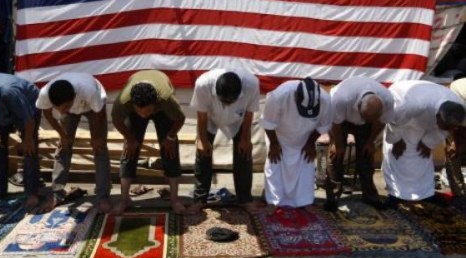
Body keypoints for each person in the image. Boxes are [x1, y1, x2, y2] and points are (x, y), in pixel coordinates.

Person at [111, 70, 186, 215]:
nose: (144, 115)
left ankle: (175, 199)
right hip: (135, 108)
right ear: (132, 104)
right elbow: (116, 119)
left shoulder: (165, 99)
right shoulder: (123, 101)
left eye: (148, 111)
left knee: (170, 150)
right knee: (129, 152)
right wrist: (130, 139)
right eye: (141, 111)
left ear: (156, 102)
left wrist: (170, 137)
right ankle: (124, 199)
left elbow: (180, 118)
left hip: (162, 112)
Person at [35, 73, 112, 213]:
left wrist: (95, 138)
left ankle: (103, 196)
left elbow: (99, 112)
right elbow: (47, 114)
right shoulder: (45, 93)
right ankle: (56, 194)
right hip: (73, 108)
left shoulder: (89, 90)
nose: (62, 111)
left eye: (65, 107)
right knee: (63, 148)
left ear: (74, 96)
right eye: (58, 108)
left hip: (93, 108)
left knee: (99, 148)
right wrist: (62, 135)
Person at [187, 68, 260, 214]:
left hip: (238, 119)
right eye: (224, 101)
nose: (227, 104)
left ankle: (245, 199)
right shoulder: (203, 84)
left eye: (230, 101)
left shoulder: (252, 84)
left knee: (244, 152)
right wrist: (202, 140)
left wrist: (245, 139)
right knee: (203, 153)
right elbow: (201, 116)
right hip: (210, 118)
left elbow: (249, 114)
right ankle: (199, 199)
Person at [382, 80, 465, 208]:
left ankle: (425, 194)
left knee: (422, 157)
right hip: (401, 119)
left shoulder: (456, 108)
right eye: (444, 126)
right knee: (398, 156)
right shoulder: (411, 104)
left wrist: (429, 142)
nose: (446, 130)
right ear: (437, 116)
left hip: (423, 120)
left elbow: (445, 130)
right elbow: (395, 122)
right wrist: (396, 140)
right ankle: (395, 195)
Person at [324, 77, 394, 212]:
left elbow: (381, 122)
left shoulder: (387, 100)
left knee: (367, 156)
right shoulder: (341, 98)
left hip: (367, 125)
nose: (362, 121)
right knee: (336, 156)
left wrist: (371, 141)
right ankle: (332, 197)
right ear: (358, 107)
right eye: (364, 117)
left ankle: (370, 196)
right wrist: (338, 144)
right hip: (340, 121)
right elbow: (335, 122)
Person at [261, 78, 332, 209]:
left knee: (306, 166)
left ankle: (304, 201)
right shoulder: (278, 96)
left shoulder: (326, 100)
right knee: (274, 165)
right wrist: (274, 144)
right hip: (279, 136)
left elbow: (323, 125)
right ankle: (273, 201)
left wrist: (311, 143)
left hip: (305, 138)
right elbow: (268, 122)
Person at [0, 73, 41, 210]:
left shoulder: (9, 92)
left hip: (28, 104)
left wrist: (27, 140)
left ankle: (31, 193)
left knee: (29, 149)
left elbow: (29, 121)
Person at [445, 78, 466, 204]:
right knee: (453, 153)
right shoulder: (454, 104)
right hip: (457, 99)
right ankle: (459, 194)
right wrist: (455, 143)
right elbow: (456, 127)